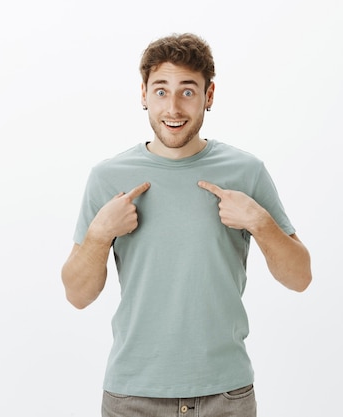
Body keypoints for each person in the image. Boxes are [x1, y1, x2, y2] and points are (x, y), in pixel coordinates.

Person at [61, 33, 312, 417]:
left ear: (209, 96)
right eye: (161, 91)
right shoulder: (108, 178)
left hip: (225, 395)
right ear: (143, 94)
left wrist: (259, 222)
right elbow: (77, 296)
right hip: (133, 396)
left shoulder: (246, 172)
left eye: (188, 92)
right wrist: (99, 234)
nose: (174, 108)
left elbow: (300, 277)